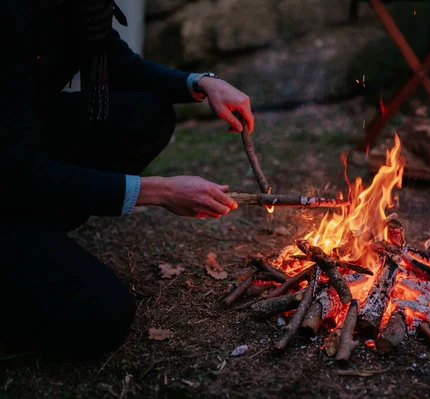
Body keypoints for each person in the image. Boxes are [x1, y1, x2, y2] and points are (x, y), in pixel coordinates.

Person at [0, 0, 253, 358]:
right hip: (11, 170)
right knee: (102, 314)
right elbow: (17, 171)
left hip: (18, 142)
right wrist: (158, 191)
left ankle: (39, 229)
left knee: (146, 112)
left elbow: (117, 61)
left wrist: (200, 82)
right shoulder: (11, 15)